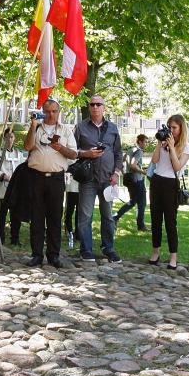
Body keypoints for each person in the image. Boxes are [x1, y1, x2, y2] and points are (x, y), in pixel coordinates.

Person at [23, 99, 78, 268]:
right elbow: (27, 147)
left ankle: (54, 255)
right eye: (47, 111)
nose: (51, 114)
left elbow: (74, 154)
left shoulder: (65, 130)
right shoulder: (37, 128)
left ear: (58, 112)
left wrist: (60, 148)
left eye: (54, 111)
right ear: (43, 112)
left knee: (55, 217)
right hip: (36, 178)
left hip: (56, 179)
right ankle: (36, 255)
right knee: (37, 217)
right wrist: (33, 126)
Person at [73, 96, 124, 263]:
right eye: (92, 104)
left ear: (104, 107)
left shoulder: (113, 128)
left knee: (108, 216)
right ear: (89, 107)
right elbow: (72, 151)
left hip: (108, 179)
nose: (95, 107)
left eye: (98, 104)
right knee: (85, 216)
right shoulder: (80, 127)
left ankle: (108, 248)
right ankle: (86, 250)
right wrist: (86, 153)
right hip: (88, 179)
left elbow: (118, 153)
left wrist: (116, 173)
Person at [149, 114, 189, 269]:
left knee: (170, 221)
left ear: (181, 128)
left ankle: (173, 256)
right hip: (157, 181)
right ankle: (156, 252)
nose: (171, 130)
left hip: (171, 184)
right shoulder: (163, 143)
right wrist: (159, 143)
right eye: (169, 127)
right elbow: (154, 161)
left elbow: (177, 166)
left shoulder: (187, 147)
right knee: (155, 219)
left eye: (174, 127)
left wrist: (172, 147)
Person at [114, 134, 149, 231]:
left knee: (134, 202)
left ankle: (116, 217)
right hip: (136, 180)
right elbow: (133, 165)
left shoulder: (131, 149)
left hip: (129, 178)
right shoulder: (139, 151)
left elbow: (122, 161)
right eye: (145, 142)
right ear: (140, 142)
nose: (147, 144)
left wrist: (124, 172)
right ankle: (140, 225)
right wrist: (144, 172)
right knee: (140, 203)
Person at [0, 128, 24, 245]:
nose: (9, 139)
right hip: (4, 188)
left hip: (16, 189)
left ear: (14, 138)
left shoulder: (19, 154)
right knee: (2, 215)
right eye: (7, 137)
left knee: (16, 216)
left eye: (11, 137)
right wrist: (4, 176)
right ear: (4, 138)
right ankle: (0, 238)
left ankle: (15, 239)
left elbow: (22, 169)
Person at [64, 172, 79, 249]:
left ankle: (75, 233)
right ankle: (70, 232)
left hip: (78, 187)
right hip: (71, 187)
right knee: (69, 212)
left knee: (75, 213)